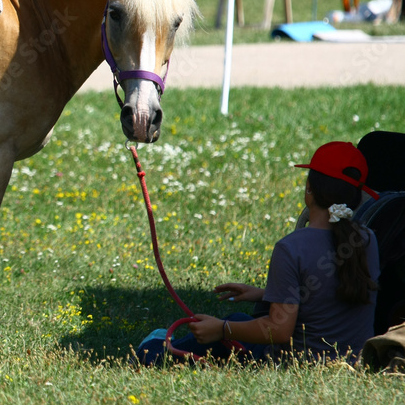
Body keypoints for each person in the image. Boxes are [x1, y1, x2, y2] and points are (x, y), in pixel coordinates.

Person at [136, 141, 381, 364]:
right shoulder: (367, 240)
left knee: (227, 327)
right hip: (353, 363)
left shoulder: (291, 248)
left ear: (309, 189)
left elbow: (279, 330)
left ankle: (154, 351)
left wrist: (222, 329)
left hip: (296, 364)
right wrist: (267, 294)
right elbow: (327, 293)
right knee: (240, 318)